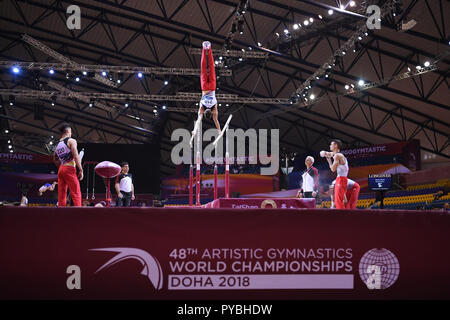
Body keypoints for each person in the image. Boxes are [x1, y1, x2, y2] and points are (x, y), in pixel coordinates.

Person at [194, 41, 221, 134]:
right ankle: (205, 48)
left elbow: (216, 121)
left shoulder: (214, 110)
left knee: (212, 67)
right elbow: (198, 120)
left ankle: (208, 48)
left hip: (212, 87)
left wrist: (219, 131)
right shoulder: (201, 108)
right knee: (203, 68)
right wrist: (194, 130)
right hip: (205, 87)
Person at [54, 123, 83, 207]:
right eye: (71, 131)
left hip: (61, 169)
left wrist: (62, 167)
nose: (71, 133)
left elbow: (55, 159)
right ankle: (79, 212)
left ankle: (61, 213)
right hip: (69, 168)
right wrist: (81, 169)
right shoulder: (71, 141)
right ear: (67, 131)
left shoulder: (58, 144)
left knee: (61, 194)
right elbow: (76, 156)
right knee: (76, 191)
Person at [321, 139, 348, 209]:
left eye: (331, 144)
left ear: (335, 146)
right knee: (340, 200)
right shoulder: (335, 154)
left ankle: (342, 216)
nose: (330, 146)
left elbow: (333, 169)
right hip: (340, 178)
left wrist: (329, 161)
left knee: (339, 201)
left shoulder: (338, 156)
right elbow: (328, 153)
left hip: (341, 179)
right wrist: (324, 153)